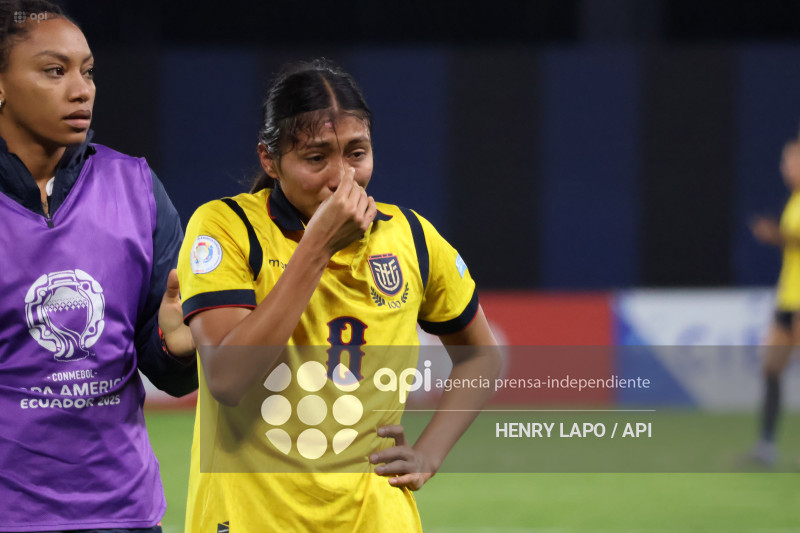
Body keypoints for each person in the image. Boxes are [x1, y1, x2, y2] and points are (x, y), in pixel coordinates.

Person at [177, 58, 501, 531]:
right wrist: (317, 247)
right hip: (251, 519)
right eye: (315, 157)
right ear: (270, 160)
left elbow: (481, 357)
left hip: (374, 518)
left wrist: (429, 453)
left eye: (356, 153)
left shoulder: (411, 237)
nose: (341, 178)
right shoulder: (228, 228)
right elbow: (227, 379)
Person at [0, 2, 197, 531]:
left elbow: (171, 374)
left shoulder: (136, 188)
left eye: (87, 71)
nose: (81, 88)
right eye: (54, 71)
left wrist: (177, 349)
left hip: (124, 515)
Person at [748, 138, 800, 466]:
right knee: (770, 367)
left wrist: (777, 236)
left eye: (791, 161)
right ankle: (766, 447)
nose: (785, 167)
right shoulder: (794, 201)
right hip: (787, 297)